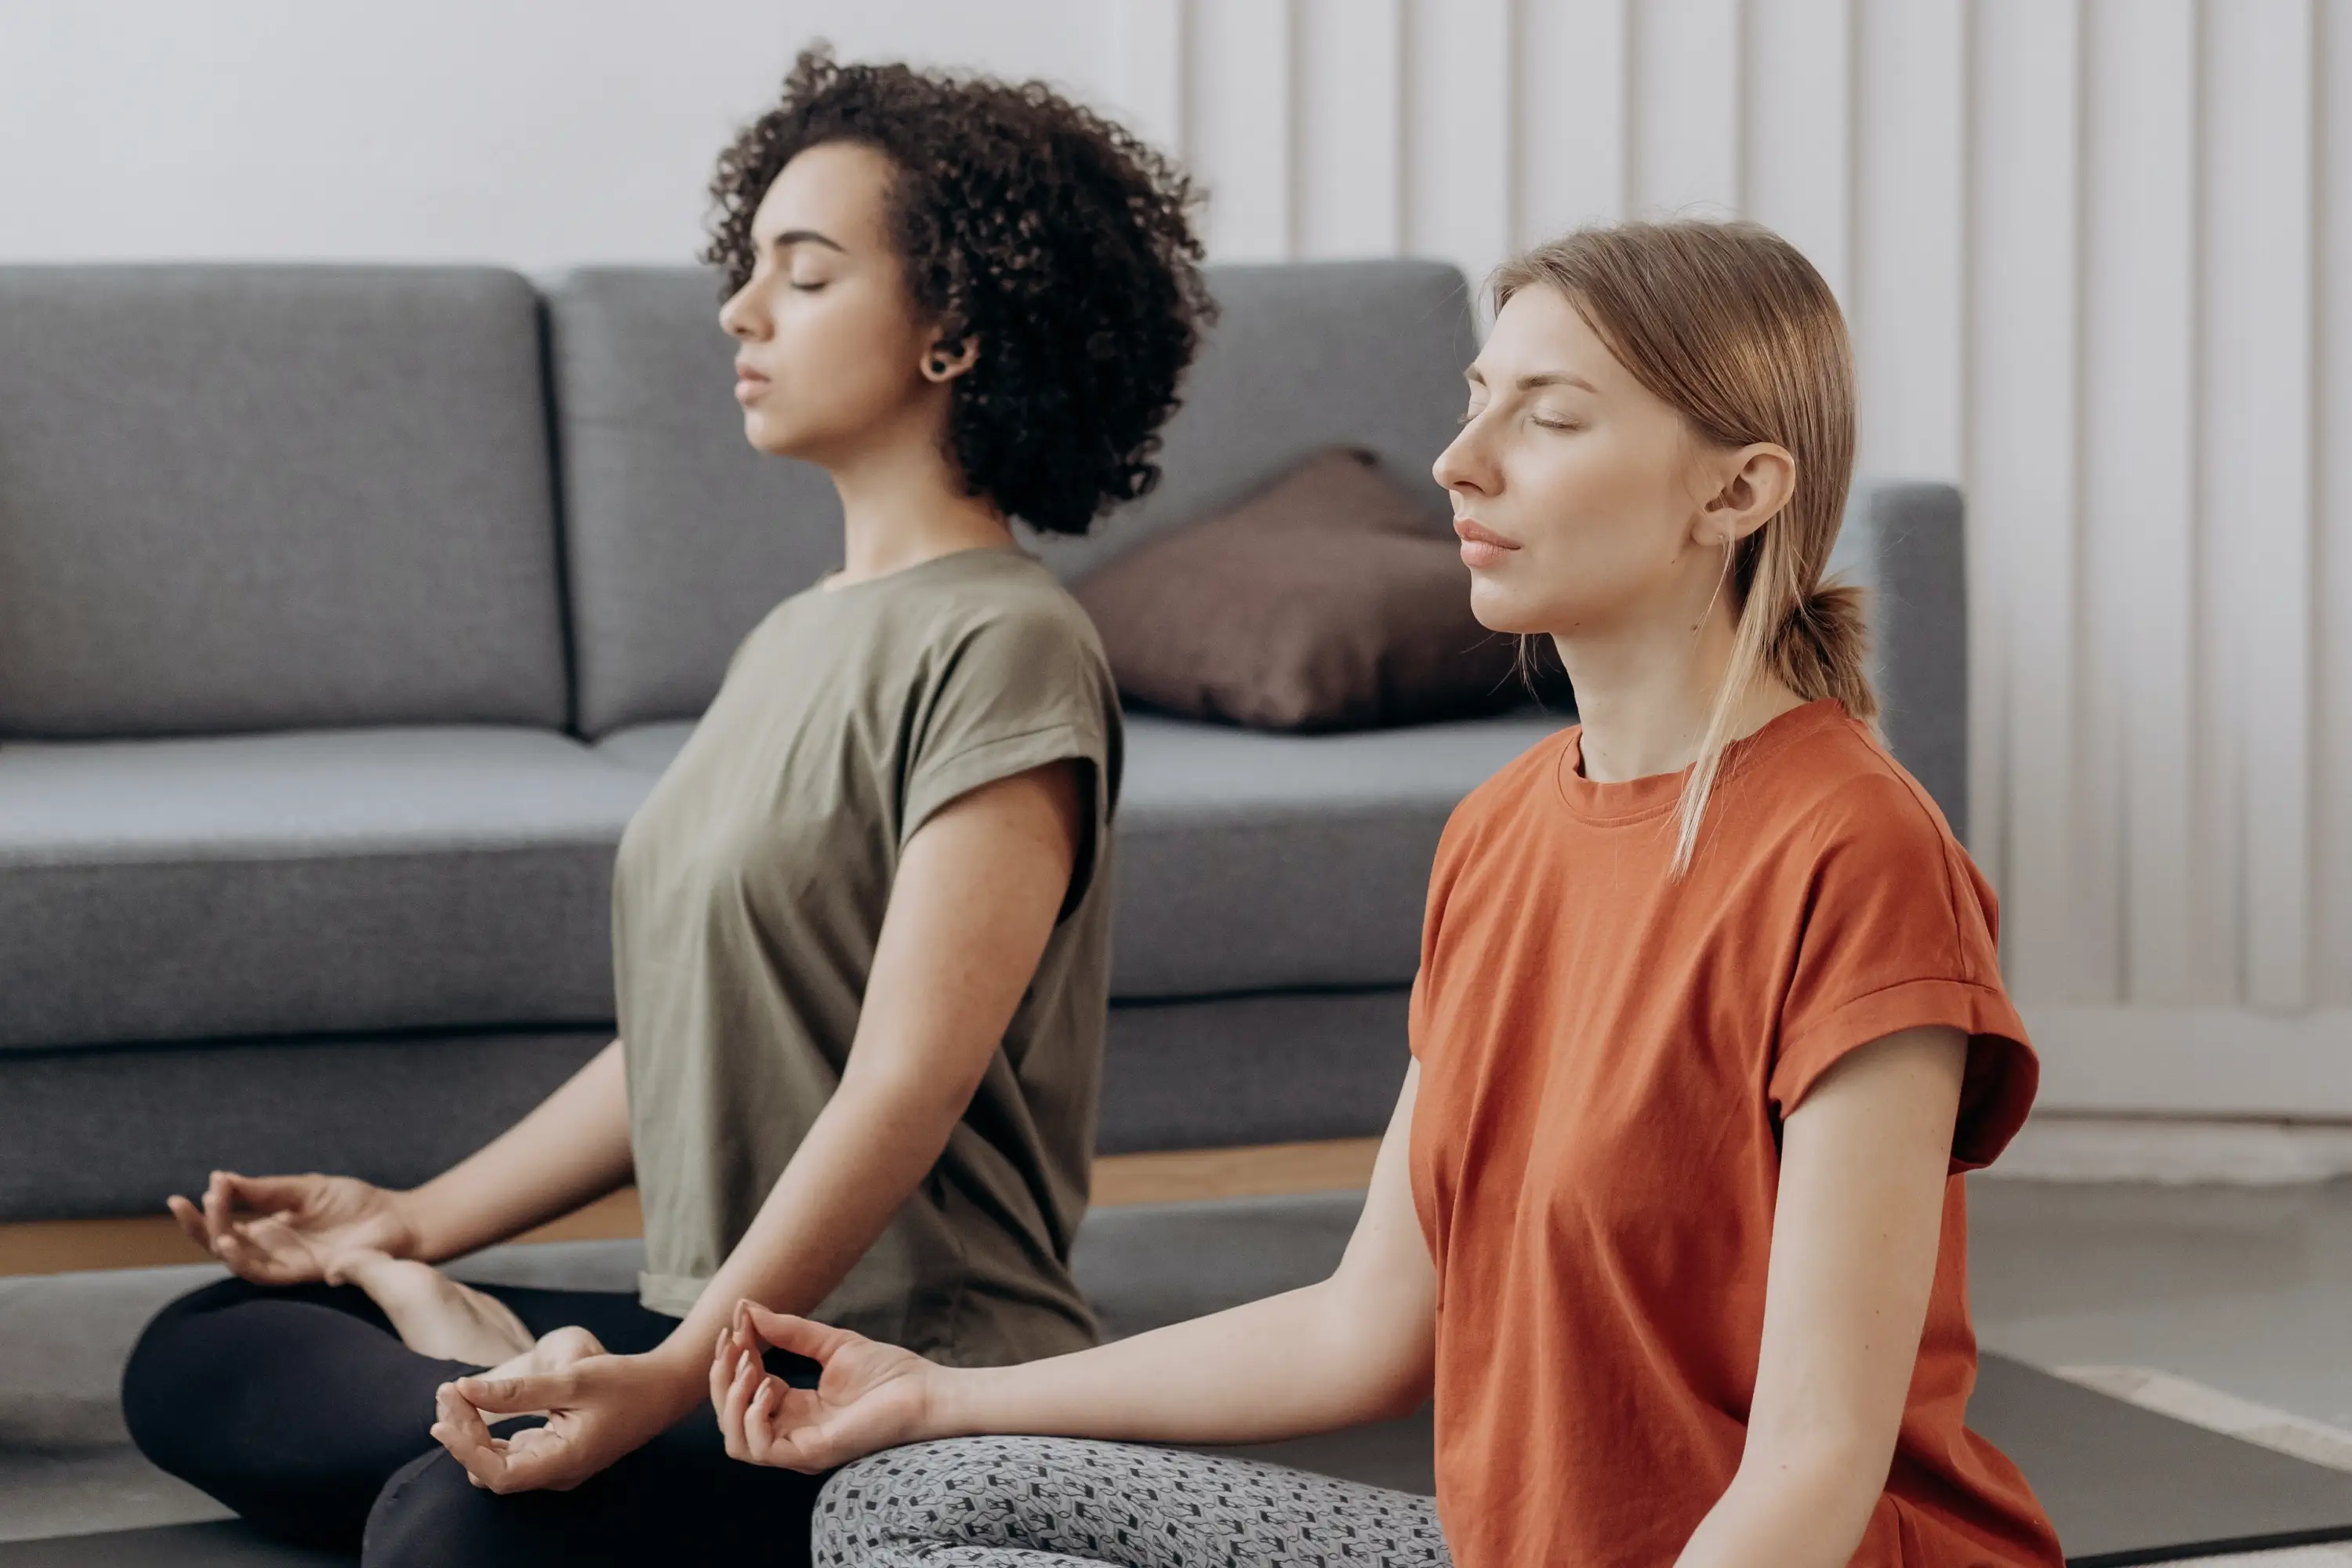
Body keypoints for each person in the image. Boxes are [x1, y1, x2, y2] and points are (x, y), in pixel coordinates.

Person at [701, 220, 2067, 1568]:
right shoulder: (1498, 834)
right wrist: (939, 1397)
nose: (1458, 464)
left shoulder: (1858, 854)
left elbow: (1816, 1464)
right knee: (909, 1500)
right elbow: (1366, 1328)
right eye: (1477, 404)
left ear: (1736, 492)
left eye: (1552, 419)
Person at [118, 47, 1211, 1567]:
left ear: (954, 327)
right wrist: (413, 1225)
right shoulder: (790, 635)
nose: (739, 312)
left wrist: (670, 1371)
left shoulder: (1007, 641)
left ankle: (496, 1407)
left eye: (805, 275)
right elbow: (691, 1032)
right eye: (747, 267)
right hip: (709, 1324)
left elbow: (904, 1083)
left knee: (458, 1523)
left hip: (878, 1369)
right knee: (207, 1341)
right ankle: (483, 1371)